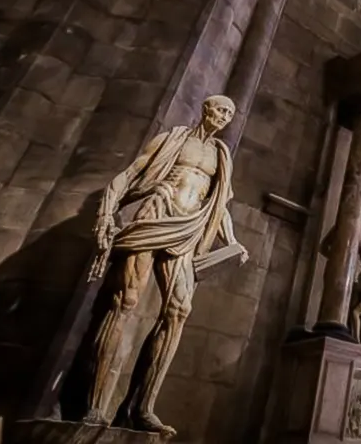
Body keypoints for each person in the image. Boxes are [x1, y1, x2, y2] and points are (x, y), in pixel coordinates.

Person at [84, 95, 248, 436]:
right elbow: (129, 174)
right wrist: (105, 212)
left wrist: (231, 241)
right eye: (220, 109)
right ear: (205, 109)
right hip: (155, 215)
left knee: (179, 310)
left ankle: (140, 407)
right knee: (124, 303)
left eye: (230, 113)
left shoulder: (219, 154)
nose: (224, 116)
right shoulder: (172, 139)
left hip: (188, 229)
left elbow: (219, 203)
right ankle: (94, 405)